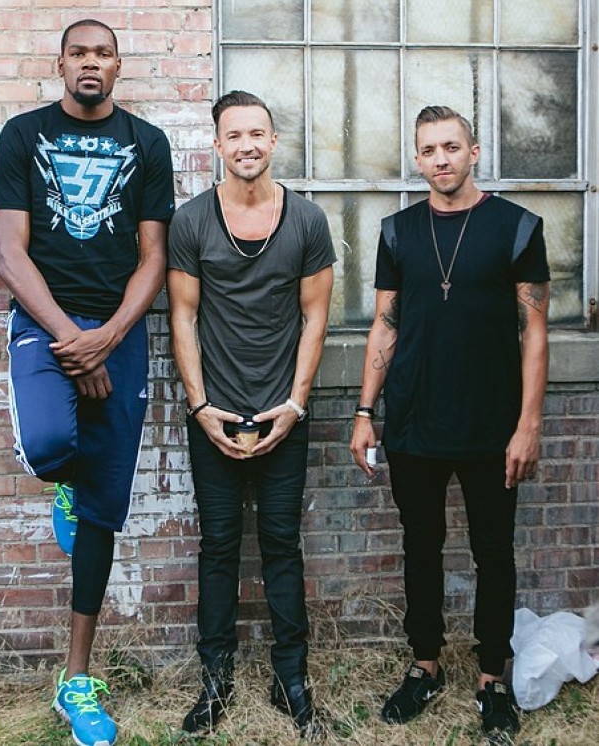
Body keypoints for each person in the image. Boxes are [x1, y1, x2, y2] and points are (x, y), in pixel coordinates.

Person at [0, 19, 174, 746]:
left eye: (103, 54)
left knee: (102, 509)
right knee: (47, 442)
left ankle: (76, 679)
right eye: (79, 53)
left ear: (118, 66)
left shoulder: (147, 142)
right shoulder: (23, 133)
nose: (90, 64)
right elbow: (8, 252)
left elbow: (153, 257)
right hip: (47, 323)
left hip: (118, 332)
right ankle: (60, 478)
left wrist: (110, 337)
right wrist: (72, 339)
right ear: (60, 63)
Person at [349, 105, 550, 744]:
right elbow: (386, 324)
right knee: (421, 548)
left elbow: (535, 333)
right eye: (429, 150)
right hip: (413, 420)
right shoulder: (398, 231)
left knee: (493, 551)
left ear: (474, 151)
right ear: (417, 159)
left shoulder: (517, 228)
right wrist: (364, 411)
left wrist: (529, 425)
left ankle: (493, 675)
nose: (441, 159)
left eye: (452, 147)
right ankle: (425, 665)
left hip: (493, 424)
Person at [167, 90, 335, 738]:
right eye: (234, 135)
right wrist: (200, 406)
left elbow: (315, 315)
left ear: (272, 140)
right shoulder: (191, 221)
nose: (246, 145)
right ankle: (216, 682)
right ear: (216, 145)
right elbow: (182, 315)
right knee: (217, 549)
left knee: (282, 548)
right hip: (213, 415)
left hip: (282, 413)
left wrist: (294, 405)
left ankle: (291, 679)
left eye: (257, 134)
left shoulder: (307, 221)